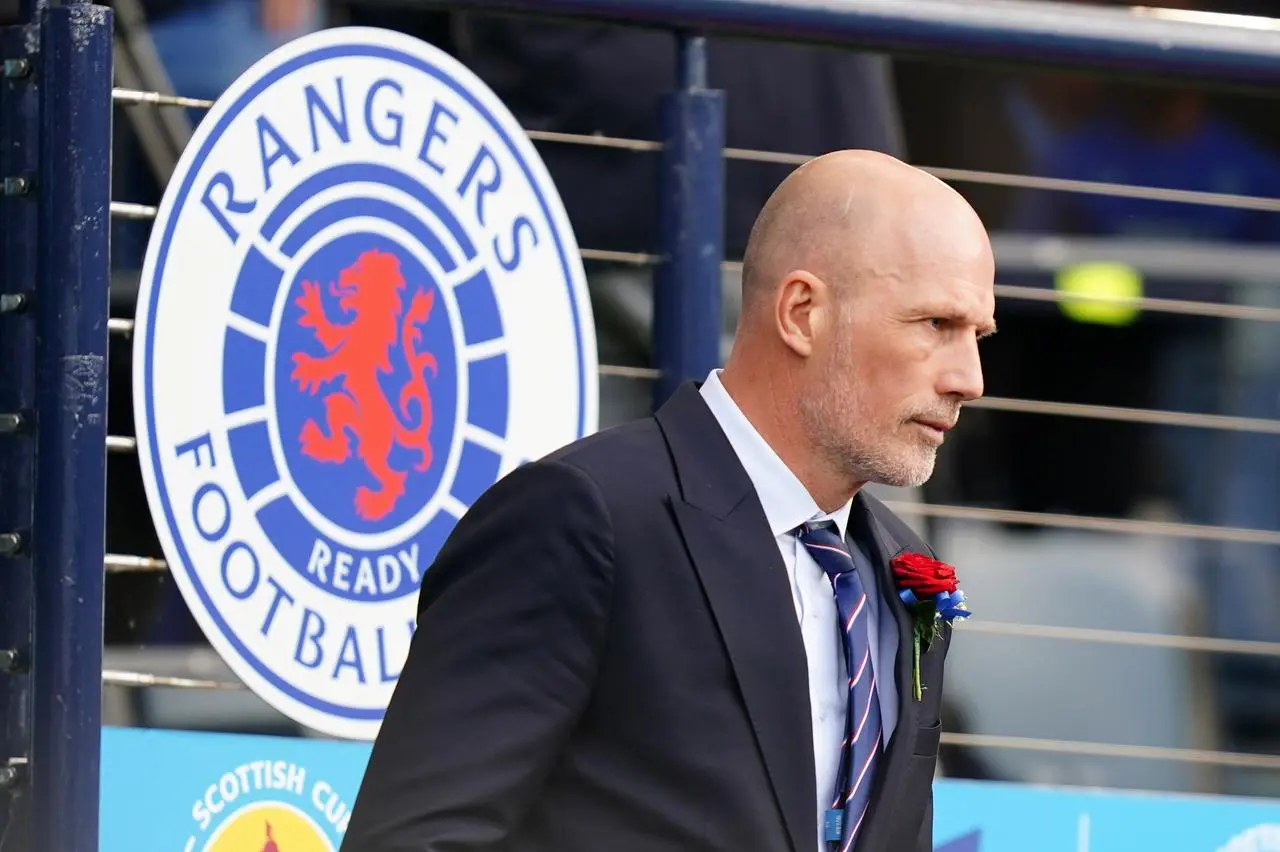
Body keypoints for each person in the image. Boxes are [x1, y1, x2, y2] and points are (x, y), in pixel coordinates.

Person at [341, 149, 996, 852]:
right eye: (936, 325)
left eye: (978, 337)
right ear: (802, 313)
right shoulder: (584, 518)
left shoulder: (903, 569)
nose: (970, 378)